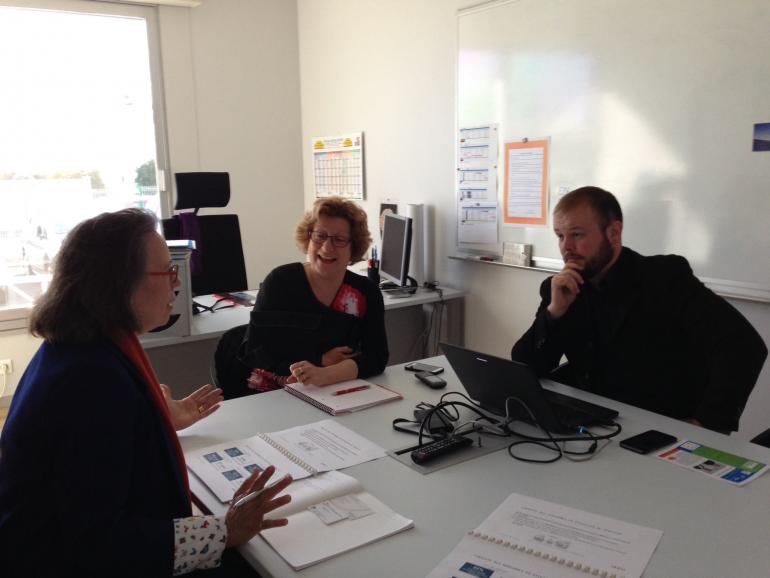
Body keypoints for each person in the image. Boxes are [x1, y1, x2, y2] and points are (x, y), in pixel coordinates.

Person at [0, 209, 293, 577]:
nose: (177, 284)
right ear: (120, 285)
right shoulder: (92, 383)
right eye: (168, 271)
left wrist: (155, 420)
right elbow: (99, 543)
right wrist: (222, 530)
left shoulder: (79, 348)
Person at [511, 186, 767, 432]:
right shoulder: (559, 289)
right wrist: (554, 313)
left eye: (577, 235)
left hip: (662, 424)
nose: (566, 247)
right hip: (594, 424)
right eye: (560, 236)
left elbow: (743, 346)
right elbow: (526, 366)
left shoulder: (665, 279)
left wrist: (705, 423)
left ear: (613, 233)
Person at [230, 196, 388, 397]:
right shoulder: (281, 282)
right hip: (271, 394)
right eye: (320, 236)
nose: (327, 247)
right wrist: (318, 360)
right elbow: (254, 351)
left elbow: (376, 358)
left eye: (339, 239)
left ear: (353, 247)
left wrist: (326, 373)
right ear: (308, 239)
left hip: (336, 392)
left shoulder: (365, 292)